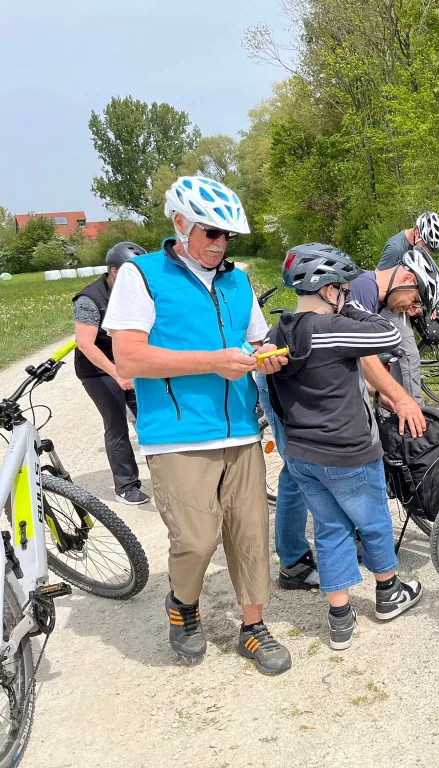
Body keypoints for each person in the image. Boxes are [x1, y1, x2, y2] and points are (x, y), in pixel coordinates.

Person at [105, 175, 293, 675]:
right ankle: (183, 605)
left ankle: (252, 628)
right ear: (180, 222)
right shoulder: (141, 275)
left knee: (251, 534)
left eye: (227, 236)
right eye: (210, 232)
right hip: (178, 433)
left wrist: (265, 357)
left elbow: (254, 340)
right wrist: (212, 361)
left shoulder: (237, 279)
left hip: (241, 430)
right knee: (196, 540)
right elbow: (128, 358)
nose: (219, 244)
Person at [267, 244, 426, 651]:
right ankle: (388, 593)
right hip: (348, 449)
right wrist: (352, 307)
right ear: (328, 288)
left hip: (302, 452)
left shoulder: (279, 331)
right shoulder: (330, 327)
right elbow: (389, 335)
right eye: (342, 287)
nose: (345, 294)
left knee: (330, 529)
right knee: (372, 520)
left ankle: (340, 619)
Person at [73, 242, 149, 505]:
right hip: (98, 370)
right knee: (116, 424)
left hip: (131, 363)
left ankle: (167, 478)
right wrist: (118, 374)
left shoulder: (138, 293)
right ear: (114, 271)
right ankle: (126, 487)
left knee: (150, 419)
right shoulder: (89, 299)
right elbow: (85, 344)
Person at [348, 244, 439, 406]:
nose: (411, 309)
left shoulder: (373, 295)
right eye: (415, 300)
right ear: (406, 279)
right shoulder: (364, 288)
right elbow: (360, 356)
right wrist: (401, 399)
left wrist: (381, 393)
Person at [255, 373, 320, 591]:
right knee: (297, 471)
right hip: (284, 382)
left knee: (305, 468)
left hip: (312, 380)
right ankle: (294, 563)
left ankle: (296, 560)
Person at [375, 212, 439, 403]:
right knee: (410, 356)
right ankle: (416, 407)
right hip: (387, 309)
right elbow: (380, 284)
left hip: (401, 307)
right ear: (416, 232)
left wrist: (415, 304)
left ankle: (396, 403)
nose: (427, 251)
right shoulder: (395, 248)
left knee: (400, 359)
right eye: (426, 245)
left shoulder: (416, 246)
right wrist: (405, 305)